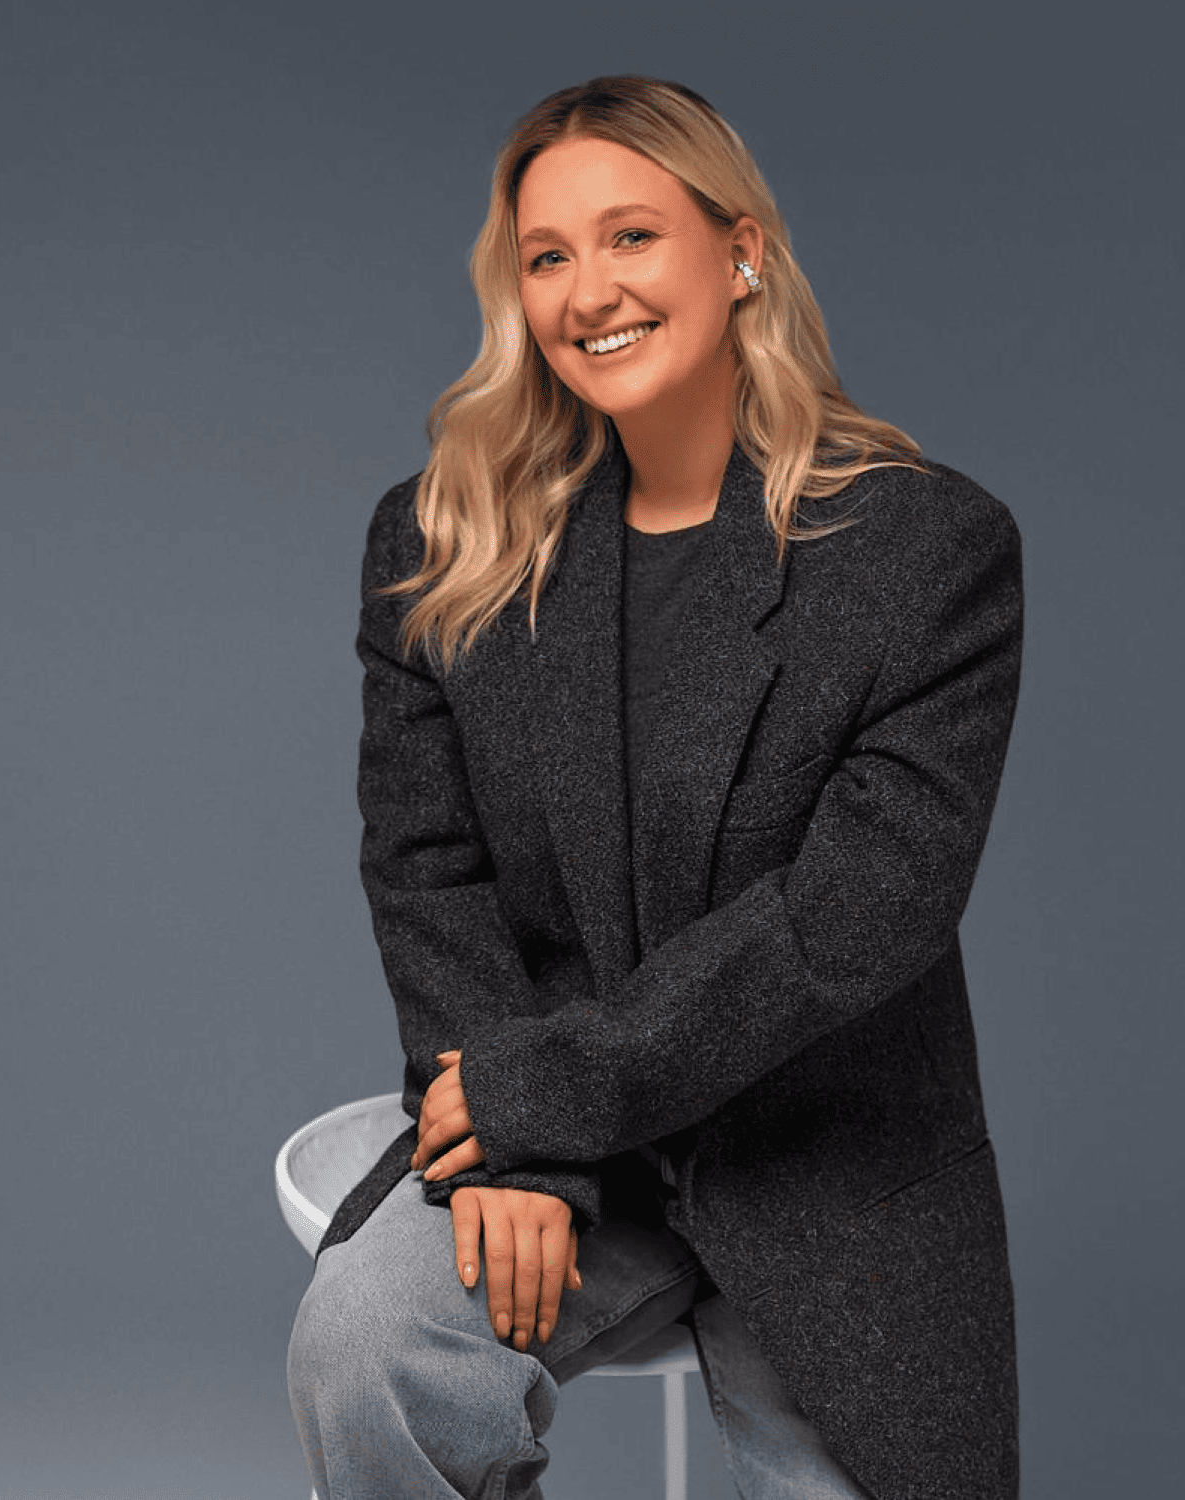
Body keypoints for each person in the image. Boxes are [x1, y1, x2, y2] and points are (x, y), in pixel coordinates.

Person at [288, 75, 1023, 1500]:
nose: (587, 292)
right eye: (546, 256)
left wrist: (538, 1096)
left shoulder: (925, 550)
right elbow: (428, 873)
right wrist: (519, 1156)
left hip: (827, 1159)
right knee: (368, 1343)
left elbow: (856, 918)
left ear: (741, 253)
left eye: (631, 236)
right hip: (562, 1151)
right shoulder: (446, 541)